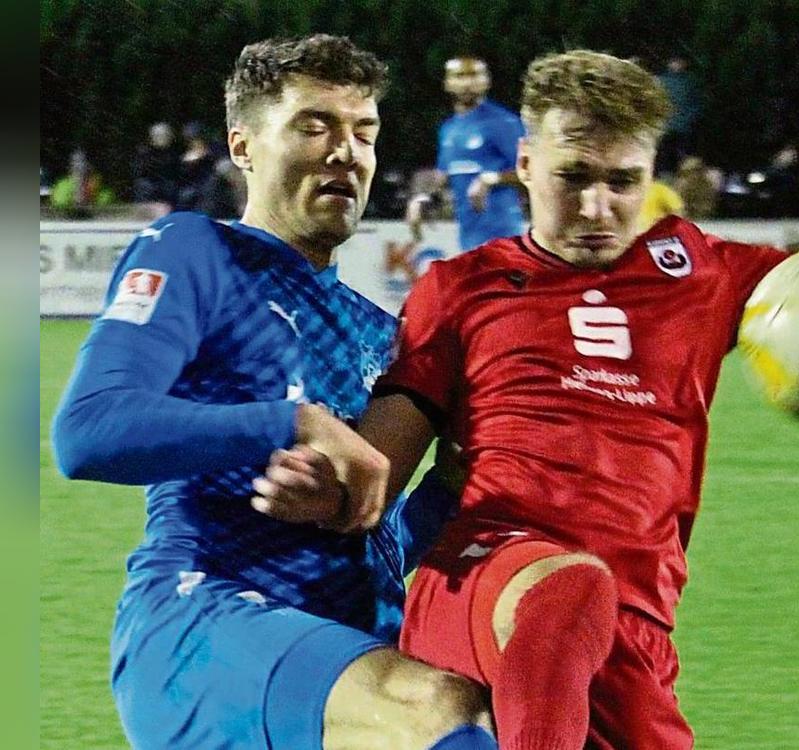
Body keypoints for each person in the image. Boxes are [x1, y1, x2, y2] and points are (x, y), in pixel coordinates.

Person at [257, 50, 790, 749]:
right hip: (485, 579)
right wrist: (330, 484)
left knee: (585, 609)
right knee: (568, 592)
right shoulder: (461, 288)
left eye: (623, 181)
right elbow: (380, 460)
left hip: (635, 629)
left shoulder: (701, 270)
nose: (599, 206)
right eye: (575, 176)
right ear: (528, 163)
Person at [52, 34, 498, 750]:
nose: (344, 151)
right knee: (440, 712)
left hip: (337, 652)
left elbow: (373, 534)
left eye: (364, 132)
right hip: (203, 626)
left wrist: (448, 488)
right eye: (314, 126)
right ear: (244, 145)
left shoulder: (385, 334)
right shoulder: (196, 251)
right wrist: (292, 422)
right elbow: (87, 431)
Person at [406, 56, 525, 251]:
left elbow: (530, 171)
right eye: (460, 76)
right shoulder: (449, 128)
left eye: (475, 75)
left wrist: (491, 179)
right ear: (447, 83)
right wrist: (423, 199)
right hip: (469, 236)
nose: (468, 83)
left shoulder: (503, 122)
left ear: (487, 81)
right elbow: (444, 175)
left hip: (503, 236)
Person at [655, 54, 702, 175]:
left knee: (680, 156)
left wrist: (688, 119)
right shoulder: (660, 81)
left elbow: (696, 104)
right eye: (674, 62)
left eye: (679, 62)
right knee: (662, 156)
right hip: (664, 127)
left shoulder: (690, 82)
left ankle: (680, 178)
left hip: (682, 128)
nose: (676, 65)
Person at [132, 121, 181, 216]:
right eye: (159, 136)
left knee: (173, 188)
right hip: (150, 184)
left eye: (165, 136)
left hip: (167, 184)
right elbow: (139, 171)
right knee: (144, 186)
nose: (162, 138)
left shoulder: (173, 152)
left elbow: (176, 171)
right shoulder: (144, 151)